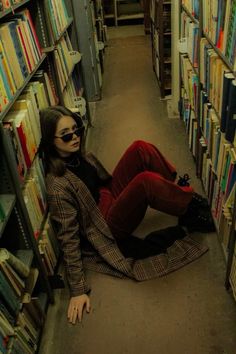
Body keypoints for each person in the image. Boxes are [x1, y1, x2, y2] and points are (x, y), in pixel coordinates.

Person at [39, 106, 214, 324]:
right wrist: (77, 289)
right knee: (145, 182)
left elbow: (103, 181)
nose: (75, 137)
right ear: (50, 140)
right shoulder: (58, 185)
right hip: (103, 224)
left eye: (77, 129)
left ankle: (175, 191)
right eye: (66, 135)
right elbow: (68, 236)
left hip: (106, 195)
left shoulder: (77, 154)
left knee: (139, 148)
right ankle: (190, 207)